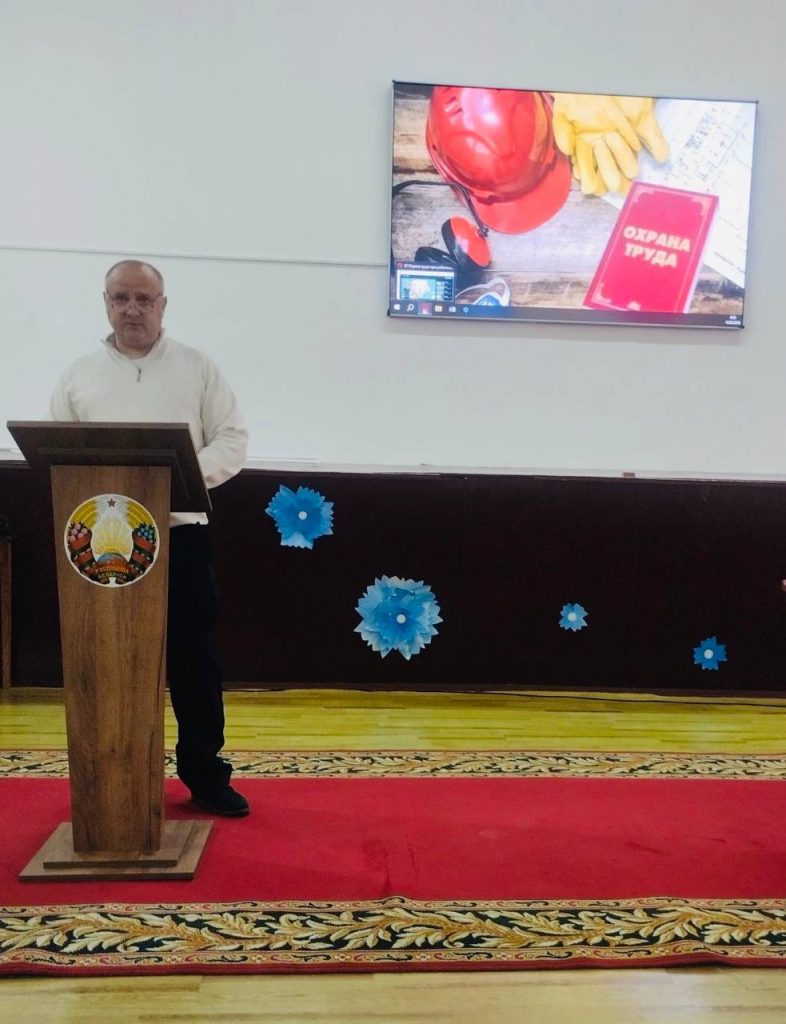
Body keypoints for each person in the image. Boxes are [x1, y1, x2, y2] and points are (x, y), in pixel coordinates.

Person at [49, 259, 250, 817]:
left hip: (180, 539)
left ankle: (205, 776)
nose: (132, 309)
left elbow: (232, 439)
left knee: (194, 662)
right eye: (121, 298)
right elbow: (58, 454)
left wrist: (176, 479)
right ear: (106, 303)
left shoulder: (197, 368)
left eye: (144, 299)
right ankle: (112, 778)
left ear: (163, 305)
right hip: (100, 553)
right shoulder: (78, 375)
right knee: (107, 659)